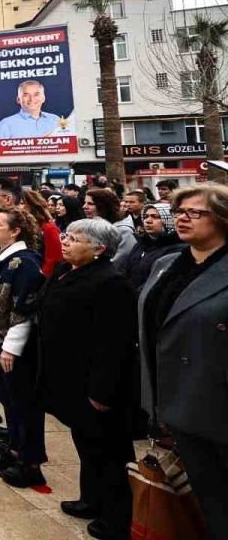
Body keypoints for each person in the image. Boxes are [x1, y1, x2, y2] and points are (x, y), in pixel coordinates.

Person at [38, 218, 138, 539]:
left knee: (108, 452)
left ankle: (116, 517)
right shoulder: (65, 271)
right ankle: (90, 499)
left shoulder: (111, 283)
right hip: (69, 376)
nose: (65, 242)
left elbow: (114, 342)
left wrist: (102, 390)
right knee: (86, 443)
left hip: (96, 382)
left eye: (75, 239)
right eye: (66, 236)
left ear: (99, 249)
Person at [138, 183, 228, 537]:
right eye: (179, 212)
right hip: (173, 403)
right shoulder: (167, 263)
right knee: (201, 501)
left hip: (214, 405)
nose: (182, 218)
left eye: (195, 212)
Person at [0, 208, 47, 488]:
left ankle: (30, 461)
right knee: (9, 401)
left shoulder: (24, 263)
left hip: (11, 345)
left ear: (15, 231)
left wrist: (11, 347)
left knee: (23, 403)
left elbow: (23, 307)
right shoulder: (0, 258)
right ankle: (14, 448)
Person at [122, 202, 185, 292]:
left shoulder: (177, 249)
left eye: (155, 217)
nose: (148, 220)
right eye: (146, 216)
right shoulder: (141, 243)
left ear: (169, 220)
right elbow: (125, 269)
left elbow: (159, 283)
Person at [0, 79, 67, 139]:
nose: (31, 99)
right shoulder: (6, 124)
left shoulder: (55, 120)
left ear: (43, 98)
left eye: (36, 94)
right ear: (18, 99)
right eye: (26, 95)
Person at [84, 187, 136, 269]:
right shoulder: (92, 226)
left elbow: (118, 261)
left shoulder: (123, 231)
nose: (84, 206)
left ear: (103, 206)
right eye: (85, 203)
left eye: (90, 204)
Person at [22, 189, 62, 276]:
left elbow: (54, 259)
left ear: (32, 205)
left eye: (22, 203)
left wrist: (41, 277)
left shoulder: (48, 228)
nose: (18, 207)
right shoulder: (21, 226)